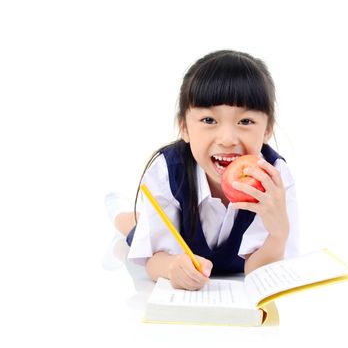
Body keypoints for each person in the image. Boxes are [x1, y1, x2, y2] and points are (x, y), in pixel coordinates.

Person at [105, 50, 299, 290]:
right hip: (180, 247)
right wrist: (172, 266)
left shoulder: (273, 177)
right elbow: (153, 259)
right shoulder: (168, 171)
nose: (227, 139)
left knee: (141, 223)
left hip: (237, 262)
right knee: (133, 227)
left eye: (246, 121)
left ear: (267, 129)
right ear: (184, 128)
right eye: (209, 120)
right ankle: (117, 209)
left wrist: (278, 232)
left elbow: (259, 274)